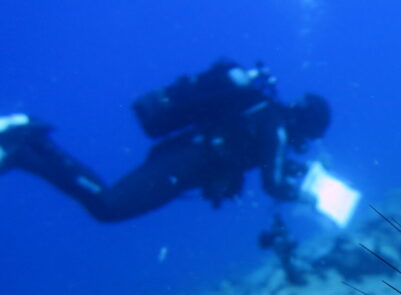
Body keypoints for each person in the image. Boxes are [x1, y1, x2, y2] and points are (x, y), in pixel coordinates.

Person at [0, 59, 331, 222]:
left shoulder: (265, 113)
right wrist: (310, 198)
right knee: (109, 206)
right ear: (305, 124)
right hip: (183, 164)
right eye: (309, 135)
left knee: (108, 205)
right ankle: (27, 146)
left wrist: (295, 172)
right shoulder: (276, 124)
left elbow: (260, 155)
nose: (302, 142)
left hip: (181, 157)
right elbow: (272, 183)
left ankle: (30, 150)